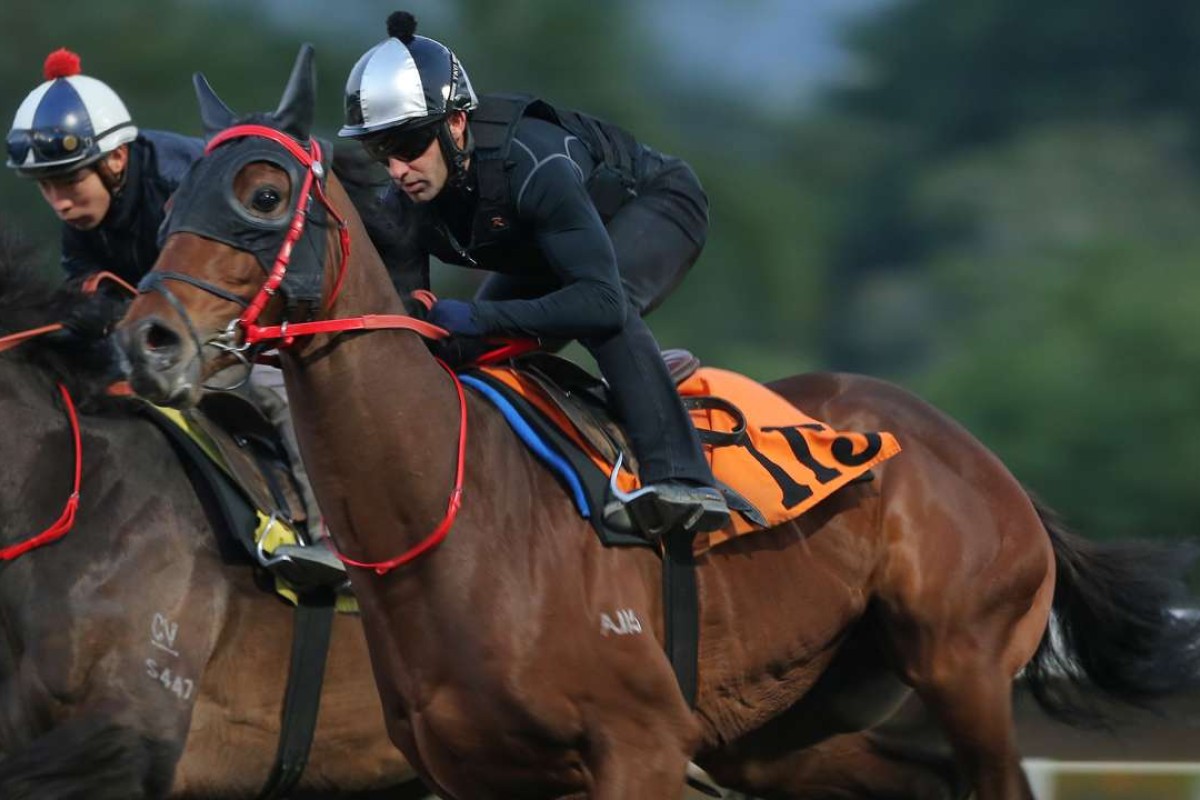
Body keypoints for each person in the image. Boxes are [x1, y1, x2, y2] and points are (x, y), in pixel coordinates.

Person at [339, 12, 730, 536]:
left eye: (409, 147)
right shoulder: (404, 202)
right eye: (379, 152)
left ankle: (683, 480)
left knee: (602, 315)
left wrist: (478, 315)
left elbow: (600, 302)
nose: (397, 171)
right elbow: (411, 329)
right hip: (551, 248)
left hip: (654, 205)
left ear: (456, 123)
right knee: (453, 348)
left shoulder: (532, 163)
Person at [6, 48, 342, 580]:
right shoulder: (82, 223)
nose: (59, 202)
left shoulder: (183, 177)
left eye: (68, 181)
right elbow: (99, 301)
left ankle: (333, 539)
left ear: (115, 159)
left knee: (272, 393)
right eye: (46, 186)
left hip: (253, 324)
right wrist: (89, 318)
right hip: (178, 336)